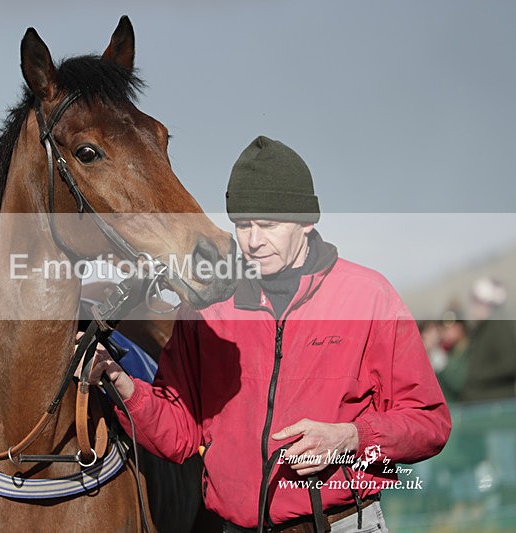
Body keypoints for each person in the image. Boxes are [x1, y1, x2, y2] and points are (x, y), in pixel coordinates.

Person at [85, 135, 451, 531]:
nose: (253, 241)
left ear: (307, 222)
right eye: (243, 225)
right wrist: (123, 384)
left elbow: (429, 424)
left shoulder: (369, 297)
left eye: (269, 225)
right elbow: (178, 435)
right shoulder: (207, 307)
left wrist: (349, 437)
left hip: (343, 524)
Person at [461, 277, 516, 402]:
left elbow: (510, 363)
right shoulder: (482, 328)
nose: (473, 307)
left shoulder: (499, 326)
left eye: (476, 302)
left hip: (497, 402)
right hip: (484, 402)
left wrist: (477, 376)